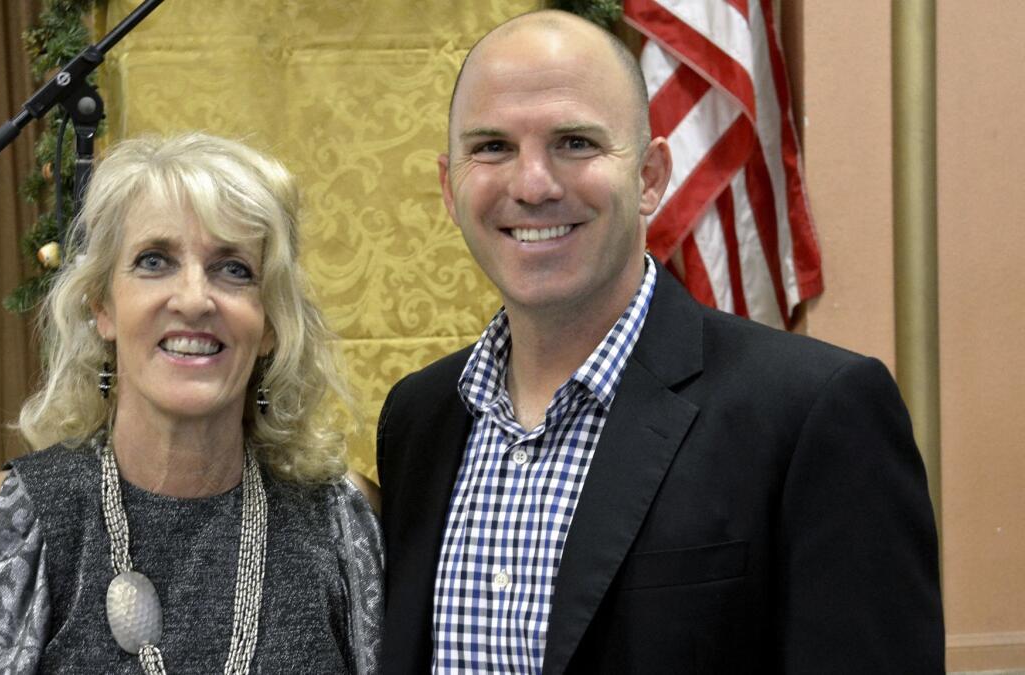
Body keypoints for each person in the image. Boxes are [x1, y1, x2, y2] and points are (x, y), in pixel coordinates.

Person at [376, 10, 942, 674]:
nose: (531, 184)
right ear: (450, 186)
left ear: (649, 177)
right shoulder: (419, 420)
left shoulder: (813, 415)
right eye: (492, 147)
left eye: (575, 142)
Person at [0, 133, 383, 673]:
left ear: (272, 322)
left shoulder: (349, 523)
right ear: (101, 307)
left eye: (234, 269)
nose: (193, 299)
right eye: (155, 261)